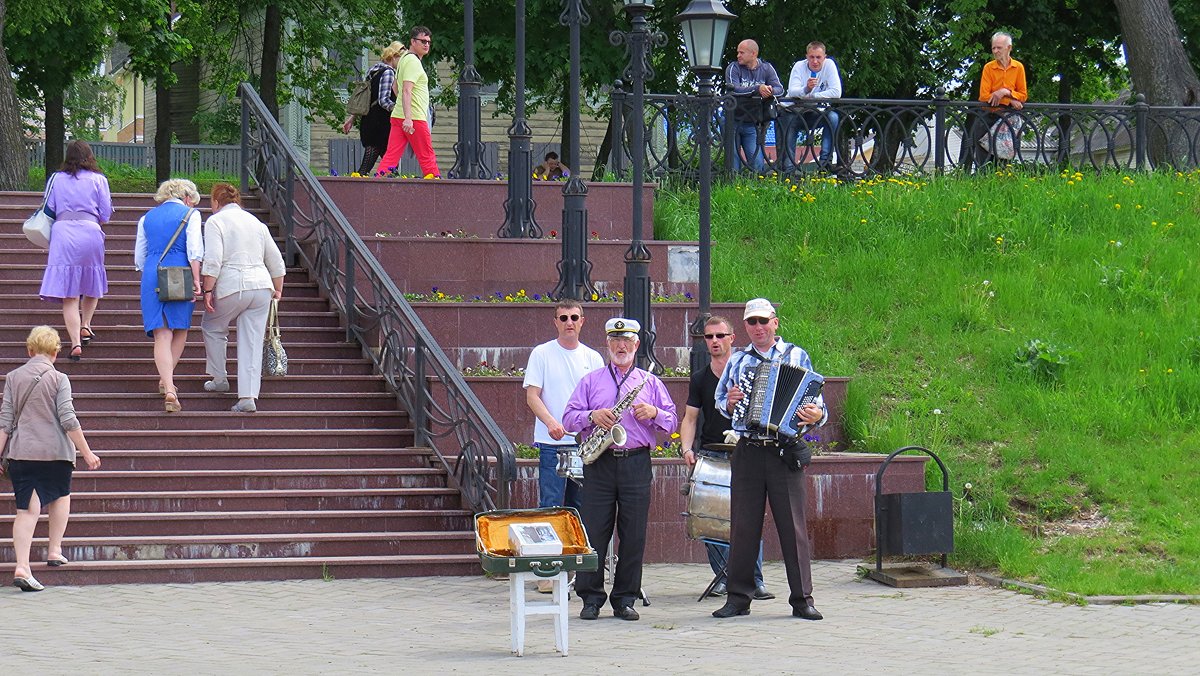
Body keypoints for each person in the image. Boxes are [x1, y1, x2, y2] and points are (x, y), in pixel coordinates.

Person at [712, 298, 827, 621]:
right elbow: (722, 401)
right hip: (749, 448)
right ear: (745, 327)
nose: (759, 327)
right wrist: (731, 401)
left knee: (793, 527)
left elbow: (817, 406)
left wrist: (815, 414)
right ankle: (738, 598)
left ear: (775, 322)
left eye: (764, 321)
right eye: (752, 323)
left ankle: (802, 599)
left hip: (783, 449)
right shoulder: (738, 360)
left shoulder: (797, 355)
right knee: (743, 526)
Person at [563, 318, 677, 621]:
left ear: (637, 345)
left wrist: (654, 413)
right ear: (608, 345)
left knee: (634, 533)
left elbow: (672, 421)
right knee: (595, 531)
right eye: (615, 341)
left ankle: (625, 598)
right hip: (600, 462)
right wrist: (591, 416)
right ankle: (590, 598)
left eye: (626, 341)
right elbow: (568, 418)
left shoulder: (649, 382)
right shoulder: (591, 381)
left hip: (636, 461)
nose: (621, 346)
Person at [0, 326, 102, 592]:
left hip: (23, 453)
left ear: (29, 350)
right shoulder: (60, 379)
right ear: (56, 352)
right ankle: (54, 549)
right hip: (56, 453)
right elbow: (68, 418)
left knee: (26, 510)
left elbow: (5, 422)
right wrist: (87, 452)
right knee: (60, 495)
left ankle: (22, 565)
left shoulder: (13, 377)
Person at [680, 316, 772, 601]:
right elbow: (690, 418)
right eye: (709, 337)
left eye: (720, 335)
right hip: (711, 451)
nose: (715, 341)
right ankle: (724, 576)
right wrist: (686, 449)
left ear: (733, 337)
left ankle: (755, 580)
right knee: (710, 517)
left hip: (746, 452)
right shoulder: (700, 378)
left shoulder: (747, 370)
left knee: (748, 518)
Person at [522, 300, 603, 592]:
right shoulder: (541, 354)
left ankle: (575, 569)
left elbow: (599, 399)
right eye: (564, 318)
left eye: (574, 317)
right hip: (551, 444)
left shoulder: (593, 358)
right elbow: (533, 395)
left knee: (579, 508)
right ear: (555, 321)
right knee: (551, 507)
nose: (569, 322)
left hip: (584, 445)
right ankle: (547, 572)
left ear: (583, 321)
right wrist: (551, 423)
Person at [200, 183, 286, 413]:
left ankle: (219, 379)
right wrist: (278, 288)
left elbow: (213, 260)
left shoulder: (215, 221)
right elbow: (276, 260)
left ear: (216, 202)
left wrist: (208, 290)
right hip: (261, 286)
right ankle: (248, 397)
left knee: (212, 326)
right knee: (252, 340)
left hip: (232, 285)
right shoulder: (257, 223)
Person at [38, 139, 114, 362]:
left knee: (69, 294)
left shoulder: (56, 178)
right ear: (89, 156)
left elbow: (49, 207)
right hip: (90, 231)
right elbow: (106, 214)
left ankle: (75, 343)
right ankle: (86, 324)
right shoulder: (99, 180)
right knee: (92, 280)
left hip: (62, 233)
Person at [134, 179, 204, 413]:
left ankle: (168, 385)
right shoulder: (191, 214)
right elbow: (195, 250)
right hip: (180, 272)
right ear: (187, 197)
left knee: (161, 335)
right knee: (180, 328)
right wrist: (196, 280)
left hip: (153, 273)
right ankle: (168, 384)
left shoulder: (146, 218)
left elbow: (139, 258)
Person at [376, 26, 440, 178]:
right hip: (414, 117)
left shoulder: (404, 58)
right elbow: (406, 90)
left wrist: (403, 110)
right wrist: (409, 117)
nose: (426, 45)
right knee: (426, 155)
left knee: (391, 156)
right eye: (422, 41)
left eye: (429, 42)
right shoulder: (413, 62)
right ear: (413, 41)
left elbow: (395, 87)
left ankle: (377, 188)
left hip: (399, 116)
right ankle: (438, 190)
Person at [342, 41, 407, 176]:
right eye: (401, 58)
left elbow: (365, 100)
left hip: (369, 120)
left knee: (387, 157)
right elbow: (384, 101)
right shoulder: (389, 73)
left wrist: (352, 118)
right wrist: (400, 109)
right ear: (394, 57)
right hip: (380, 123)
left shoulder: (373, 71)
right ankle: (359, 180)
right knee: (375, 156)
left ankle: (393, 182)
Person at [965, 31, 1027, 169]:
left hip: (1007, 120)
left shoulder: (1018, 67)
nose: (995, 51)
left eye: (999, 47)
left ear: (1009, 48)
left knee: (1004, 163)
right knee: (983, 163)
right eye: (993, 48)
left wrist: (1004, 92)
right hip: (988, 116)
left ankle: (1002, 189)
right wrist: (1009, 100)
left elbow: (1023, 96)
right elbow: (984, 96)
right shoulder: (989, 67)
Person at [781, 41, 843, 171]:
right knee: (788, 123)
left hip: (816, 112)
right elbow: (792, 91)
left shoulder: (829, 65)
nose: (815, 61)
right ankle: (789, 169)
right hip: (794, 112)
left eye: (818, 57)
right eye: (811, 57)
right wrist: (806, 89)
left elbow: (836, 92)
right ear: (806, 57)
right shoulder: (799, 66)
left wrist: (813, 96)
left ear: (824, 57)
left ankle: (825, 163)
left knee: (833, 117)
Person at [725, 39, 784, 173]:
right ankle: (731, 190)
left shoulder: (766, 68)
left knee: (757, 163)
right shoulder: (733, 68)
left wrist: (769, 90)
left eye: (742, 52)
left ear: (753, 53)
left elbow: (780, 89)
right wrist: (758, 89)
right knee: (733, 163)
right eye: (737, 52)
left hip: (752, 123)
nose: (738, 55)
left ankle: (756, 190)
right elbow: (733, 90)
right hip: (732, 120)